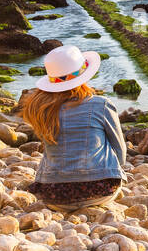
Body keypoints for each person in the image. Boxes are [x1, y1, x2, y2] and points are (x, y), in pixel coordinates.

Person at [18, 44, 127, 212]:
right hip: (99, 191)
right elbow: (120, 154)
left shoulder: (41, 109)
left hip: (53, 195)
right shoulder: (101, 105)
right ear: (84, 76)